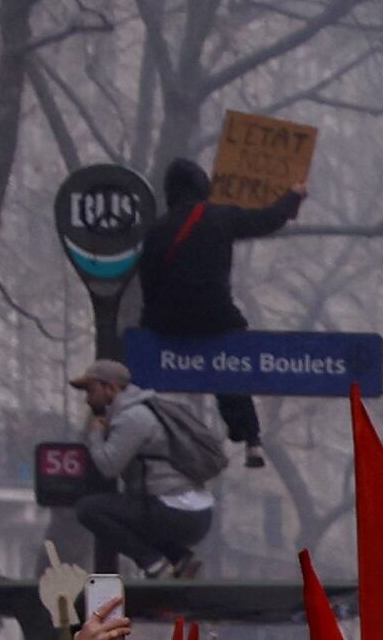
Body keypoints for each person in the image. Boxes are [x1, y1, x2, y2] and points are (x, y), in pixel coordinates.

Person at [128, 153, 300, 462]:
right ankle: (248, 435)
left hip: (166, 323)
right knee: (230, 356)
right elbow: (266, 220)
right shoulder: (220, 217)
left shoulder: (156, 230)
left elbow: (148, 282)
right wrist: (293, 197)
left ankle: (145, 431)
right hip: (214, 315)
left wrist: (151, 320)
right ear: (201, 186)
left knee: (160, 362)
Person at [58, 357, 228, 572]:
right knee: (128, 510)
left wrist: (95, 434)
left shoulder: (134, 417)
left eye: (91, 391)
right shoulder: (148, 408)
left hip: (174, 511)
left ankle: (154, 563)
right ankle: (179, 558)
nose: (88, 400)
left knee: (89, 509)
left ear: (110, 388)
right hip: (192, 511)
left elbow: (108, 466)